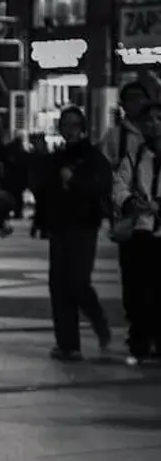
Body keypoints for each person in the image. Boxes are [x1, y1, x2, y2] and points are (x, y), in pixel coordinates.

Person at [36, 106, 113, 363]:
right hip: (59, 228)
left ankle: (99, 322)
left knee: (78, 282)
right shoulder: (57, 157)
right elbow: (45, 191)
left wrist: (74, 181)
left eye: (74, 125)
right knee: (59, 285)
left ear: (83, 127)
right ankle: (68, 344)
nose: (70, 130)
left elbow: (101, 187)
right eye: (66, 125)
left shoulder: (92, 157)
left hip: (83, 226)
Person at [112, 99, 161, 366]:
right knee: (137, 291)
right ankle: (140, 338)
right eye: (148, 121)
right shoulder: (135, 156)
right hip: (139, 233)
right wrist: (130, 202)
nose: (154, 125)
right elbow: (118, 185)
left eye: (158, 119)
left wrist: (156, 205)